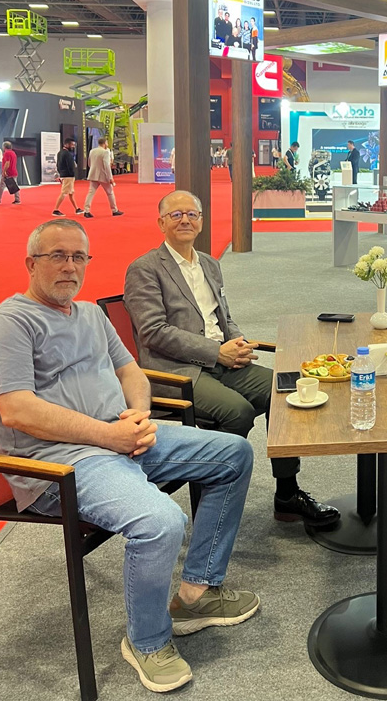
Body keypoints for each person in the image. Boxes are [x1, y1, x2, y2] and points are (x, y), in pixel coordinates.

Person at [0, 220, 259, 693]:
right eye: (58, 255)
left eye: (79, 257)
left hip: (120, 437)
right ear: (31, 263)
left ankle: (196, 592)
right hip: (64, 464)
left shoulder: (90, 315)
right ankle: (147, 641)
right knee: (161, 522)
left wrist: (137, 416)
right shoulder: (11, 322)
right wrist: (109, 436)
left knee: (233, 454)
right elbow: (17, 410)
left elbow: (132, 372)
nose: (70, 266)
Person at [124, 190, 339, 529]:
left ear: (201, 221)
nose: (185, 220)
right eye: (176, 215)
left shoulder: (209, 264)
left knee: (286, 390)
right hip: (178, 371)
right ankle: (216, 505)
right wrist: (215, 352)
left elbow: (223, 317)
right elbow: (153, 332)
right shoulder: (145, 269)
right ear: (161, 223)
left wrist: (237, 342)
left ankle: (287, 493)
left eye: (192, 214)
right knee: (236, 411)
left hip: (224, 360)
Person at [84, 137, 123, 218]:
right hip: (103, 176)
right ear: (105, 143)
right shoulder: (105, 152)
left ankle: (86, 211)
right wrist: (110, 177)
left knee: (90, 193)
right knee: (110, 193)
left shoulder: (92, 151)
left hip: (93, 174)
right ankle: (114, 210)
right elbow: (107, 166)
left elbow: (89, 163)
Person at [53, 137, 84, 216]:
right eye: (72, 145)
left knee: (71, 193)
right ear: (67, 144)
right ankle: (56, 210)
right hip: (68, 176)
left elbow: (58, 165)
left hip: (64, 175)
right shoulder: (68, 154)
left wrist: (61, 174)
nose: (73, 146)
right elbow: (70, 166)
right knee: (64, 193)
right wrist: (72, 174)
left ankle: (77, 209)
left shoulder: (60, 153)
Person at [0, 140, 21, 205]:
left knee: (0, 186)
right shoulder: (13, 152)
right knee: (15, 186)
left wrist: (4, 171)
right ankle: (17, 200)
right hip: (13, 171)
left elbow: (7, 163)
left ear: (4, 147)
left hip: (7, 173)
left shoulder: (7, 153)